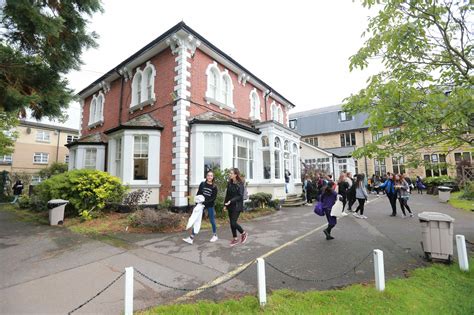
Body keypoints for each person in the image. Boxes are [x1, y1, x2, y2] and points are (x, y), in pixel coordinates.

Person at [183, 171, 218, 245]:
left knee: (212, 220)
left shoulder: (214, 187)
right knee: (196, 219)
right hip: (200, 204)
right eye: (208, 175)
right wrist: (197, 201)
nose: (209, 177)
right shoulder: (202, 184)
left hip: (209, 205)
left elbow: (213, 198)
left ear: (213, 177)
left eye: (211, 176)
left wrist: (205, 203)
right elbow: (199, 193)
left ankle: (215, 235)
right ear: (206, 176)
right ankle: (191, 238)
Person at [224, 168, 248, 247]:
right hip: (230, 205)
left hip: (237, 206)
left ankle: (243, 233)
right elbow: (227, 195)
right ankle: (235, 239)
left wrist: (231, 201)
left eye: (231, 173)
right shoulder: (230, 183)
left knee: (233, 222)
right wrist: (225, 205)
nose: (230, 174)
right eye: (230, 173)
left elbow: (240, 196)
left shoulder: (240, 184)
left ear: (235, 175)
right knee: (231, 223)